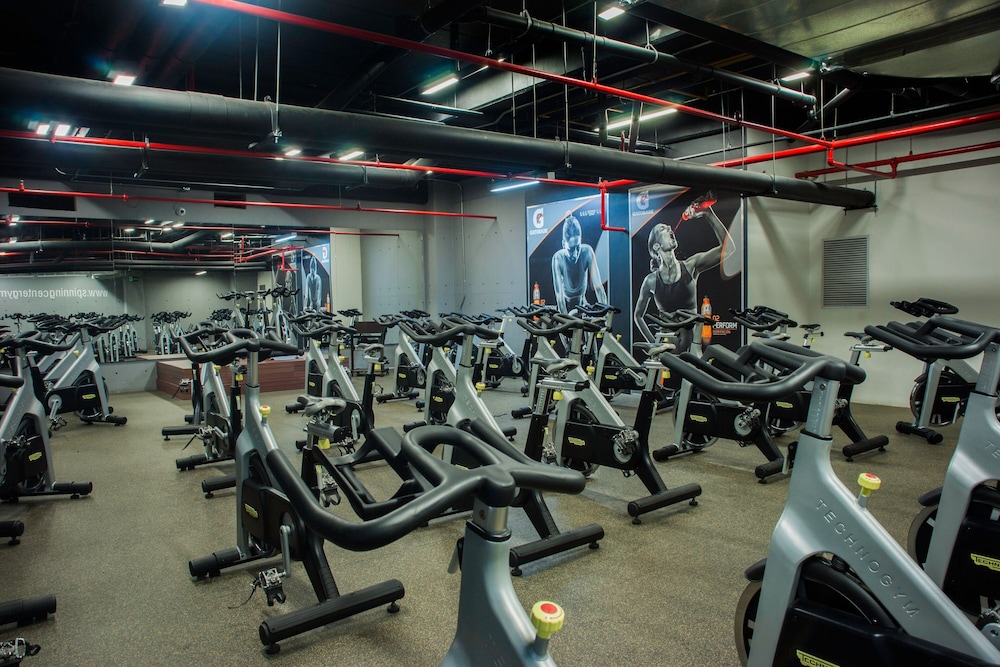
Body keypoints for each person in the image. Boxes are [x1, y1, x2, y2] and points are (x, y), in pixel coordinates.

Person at [633, 192, 729, 352]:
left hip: (692, 351)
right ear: (656, 246)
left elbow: (727, 250)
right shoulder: (651, 281)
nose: (669, 228)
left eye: (669, 227)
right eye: (663, 229)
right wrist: (653, 343)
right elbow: (638, 315)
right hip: (665, 353)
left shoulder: (691, 266)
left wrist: (708, 214)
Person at [550, 214, 607, 313]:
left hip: (583, 306)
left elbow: (598, 288)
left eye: (578, 247)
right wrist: (565, 320)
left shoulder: (587, 252)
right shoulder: (558, 259)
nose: (575, 254)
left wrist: (606, 315)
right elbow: (560, 298)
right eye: (571, 249)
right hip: (566, 308)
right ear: (563, 244)